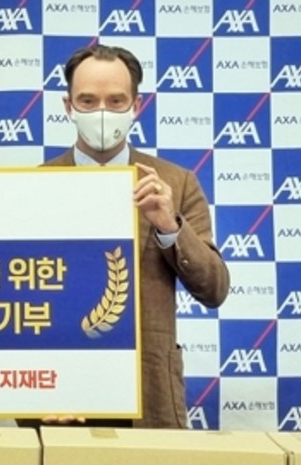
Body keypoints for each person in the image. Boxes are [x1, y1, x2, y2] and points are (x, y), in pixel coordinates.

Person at [41, 44, 229, 429]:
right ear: (68, 106)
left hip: (149, 392)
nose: (102, 112)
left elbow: (214, 289)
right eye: (88, 101)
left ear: (136, 105)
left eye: (116, 100)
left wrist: (170, 227)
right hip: (60, 396)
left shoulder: (175, 183)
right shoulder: (34, 185)